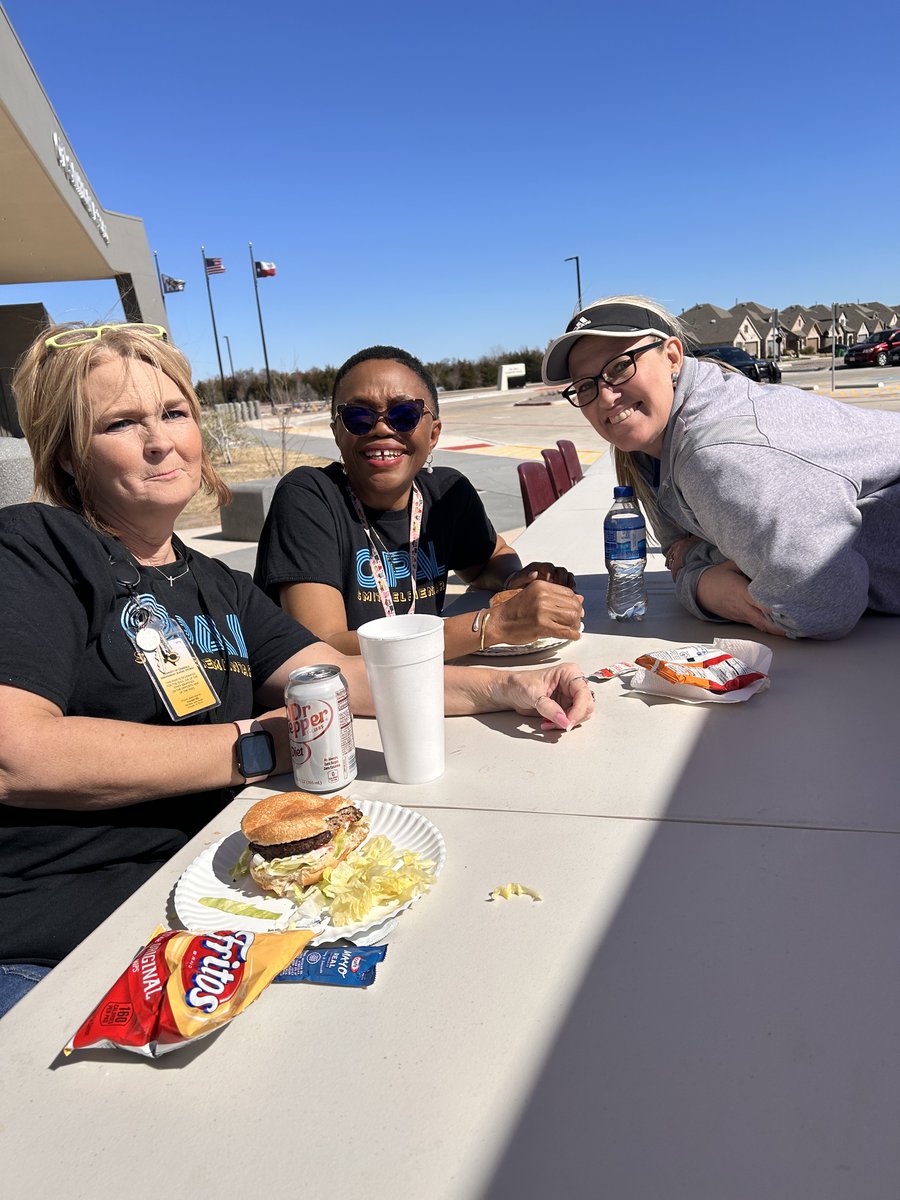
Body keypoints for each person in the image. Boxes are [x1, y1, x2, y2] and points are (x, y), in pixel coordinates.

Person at [0, 323, 593, 1017]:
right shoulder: (36, 548)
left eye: (174, 413)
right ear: (70, 456)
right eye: (121, 423)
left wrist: (508, 686)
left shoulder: (214, 585)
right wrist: (259, 743)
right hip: (60, 951)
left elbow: (344, 677)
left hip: (212, 915)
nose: (160, 440)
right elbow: (17, 752)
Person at [541, 296, 900, 640]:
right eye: (586, 385)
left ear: (672, 356)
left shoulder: (716, 456)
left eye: (620, 366)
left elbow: (822, 605)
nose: (605, 396)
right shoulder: (648, 446)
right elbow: (675, 551)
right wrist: (704, 581)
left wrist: (705, 578)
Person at [253, 345, 583, 658]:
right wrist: (495, 624)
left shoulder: (446, 495)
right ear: (337, 431)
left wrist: (515, 580)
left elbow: (491, 558)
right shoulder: (308, 497)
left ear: (433, 433)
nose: (381, 428)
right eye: (358, 417)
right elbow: (324, 649)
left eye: (404, 414)